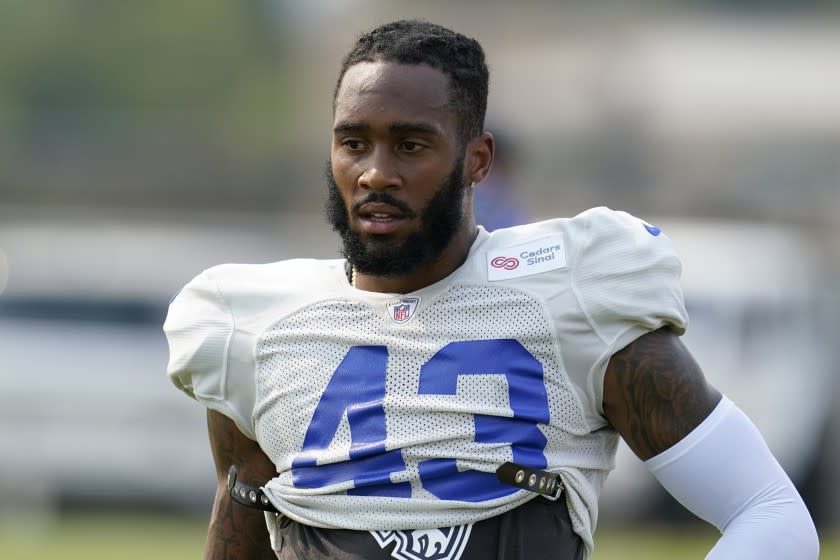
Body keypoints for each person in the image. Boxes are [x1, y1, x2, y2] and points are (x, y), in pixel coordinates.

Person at [164, 20, 819, 560]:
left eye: (410, 145)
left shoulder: (571, 298)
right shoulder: (255, 325)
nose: (375, 173)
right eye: (353, 143)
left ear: (477, 160)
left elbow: (772, 515)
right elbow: (242, 527)